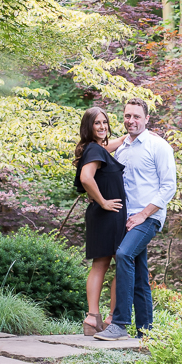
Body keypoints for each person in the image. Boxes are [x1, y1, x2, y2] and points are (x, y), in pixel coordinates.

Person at [93, 97, 175, 340]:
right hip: (125, 219)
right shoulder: (121, 147)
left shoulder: (158, 146)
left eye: (137, 116)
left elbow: (169, 187)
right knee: (139, 273)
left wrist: (143, 214)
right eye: (127, 116)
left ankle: (119, 323)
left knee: (124, 254)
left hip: (148, 217)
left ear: (147, 119)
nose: (131, 121)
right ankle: (145, 330)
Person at [74, 107, 128, 336]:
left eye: (105, 122)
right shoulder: (95, 150)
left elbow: (108, 147)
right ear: (88, 126)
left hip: (100, 215)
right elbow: (86, 178)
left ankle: (92, 318)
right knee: (123, 264)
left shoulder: (94, 149)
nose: (102, 126)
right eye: (97, 123)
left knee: (101, 265)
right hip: (108, 214)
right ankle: (112, 318)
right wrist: (104, 201)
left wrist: (130, 137)